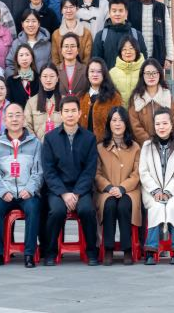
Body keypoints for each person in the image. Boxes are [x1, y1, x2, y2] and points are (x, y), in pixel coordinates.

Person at [40, 96, 100, 266]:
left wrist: (77, 193)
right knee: (57, 211)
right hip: (58, 190)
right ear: (61, 114)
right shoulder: (50, 138)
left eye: (74, 111)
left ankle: (92, 252)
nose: (70, 114)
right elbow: (49, 171)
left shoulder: (89, 138)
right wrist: (64, 193)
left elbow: (89, 170)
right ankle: (50, 252)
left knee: (87, 210)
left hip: (81, 189)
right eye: (66, 111)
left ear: (80, 113)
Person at [0, 103, 43, 268]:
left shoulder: (35, 144)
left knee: (33, 208)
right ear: (5, 120)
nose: (14, 119)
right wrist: (3, 191)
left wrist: (30, 189)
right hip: (7, 192)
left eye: (18, 115)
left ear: (24, 119)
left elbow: (38, 172)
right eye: (10, 116)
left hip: (27, 192)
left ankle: (29, 254)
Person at [138, 108, 174, 265]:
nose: (161, 127)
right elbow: (143, 172)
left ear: (172, 124)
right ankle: (151, 251)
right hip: (151, 191)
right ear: (154, 126)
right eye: (158, 124)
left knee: (173, 207)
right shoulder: (147, 146)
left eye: (165, 123)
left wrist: (168, 191)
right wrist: (156, 190)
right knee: (157, 207)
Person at [96, 107, 141, 265]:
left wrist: (122, 188)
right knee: (109, 205)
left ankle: (127, 249)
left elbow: (136, 174)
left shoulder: (135, 147)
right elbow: (97, 174)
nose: (117, 124)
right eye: (114, 120)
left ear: (126, 123)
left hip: (129, 191)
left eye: (121, 120)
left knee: (123, 206)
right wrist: (109, 188)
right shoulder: (100, 148)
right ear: (109, 123)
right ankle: (108, 249)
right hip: (106, 191)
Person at [130, 59, 174, 144]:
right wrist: (149, 142)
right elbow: (134, 125)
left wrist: (163, 140)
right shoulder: (136, 98)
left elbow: (173, 121)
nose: (151, 76)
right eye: (148, 73)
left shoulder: (167, 96)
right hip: (142, 146)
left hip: (165, 144)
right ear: (142, 75)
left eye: (154, 73)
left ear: (160, 74)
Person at [82, 58, 125, 142]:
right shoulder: (81, 97)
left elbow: (119, 123)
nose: (95, 74)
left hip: (106, 145)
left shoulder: (114, 97)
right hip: (84, 144)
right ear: (87, 74)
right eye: (92, 71)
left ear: (104, 74)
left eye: (99, 71)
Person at [93, 0, 147, 66]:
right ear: (109, 13)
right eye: (114, 11)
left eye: (121, 11)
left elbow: (143, 60)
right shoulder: (101, 36)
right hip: (109, 73)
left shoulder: (136, 35)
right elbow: (96, 63)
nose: (117, 14)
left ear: (126, 13)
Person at [25, 65, 67, 140]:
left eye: (52, 76)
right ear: (40, 79)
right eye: (45, 76)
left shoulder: (65, 101)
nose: (48, 79)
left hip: (61, 144)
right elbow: (26, 125)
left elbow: (70, 123)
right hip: (38, 145)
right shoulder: (31, 102)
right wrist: (35, 142)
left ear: (57, 78)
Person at [109, 38, 145, 105]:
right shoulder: (112, 73)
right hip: (119, 110)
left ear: (136, 50)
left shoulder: (145, 70)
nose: (128, 52)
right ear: (120, 52)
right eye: (124, 49)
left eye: (131, 48)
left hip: (140, 110)